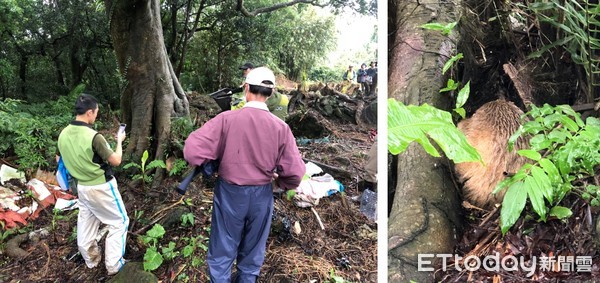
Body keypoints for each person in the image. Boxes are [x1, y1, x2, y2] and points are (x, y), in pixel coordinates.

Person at [183, 67, 305, 282]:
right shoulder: (281, 127)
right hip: (262, 195)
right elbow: (295, 173)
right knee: (252, 255)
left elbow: (192, 151)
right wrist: (279, 184)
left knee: (222, 252)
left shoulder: (226, 120)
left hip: (230, 194)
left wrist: (210, 163)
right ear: (270, 93)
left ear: (246, 88)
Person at [57, 94, 128, 276]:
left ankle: (91, 260)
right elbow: (116, 160)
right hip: (101, 187)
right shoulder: (94, 136)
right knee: (119, 222)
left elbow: (59, 159)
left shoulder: (63, 134)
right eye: (96, 113)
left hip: (81, 187)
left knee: (87, 221)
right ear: (89, 112)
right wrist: (119, 141)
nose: (96, 116)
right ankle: (114, 265)